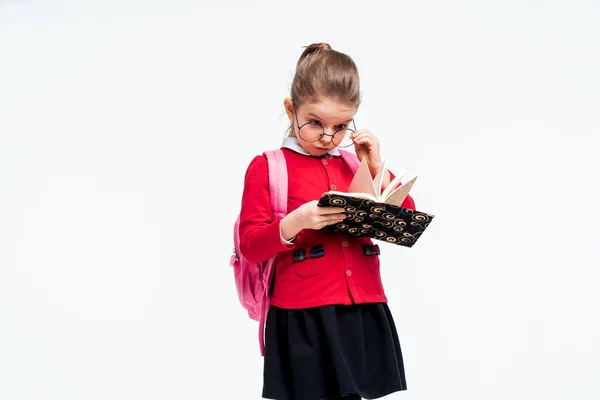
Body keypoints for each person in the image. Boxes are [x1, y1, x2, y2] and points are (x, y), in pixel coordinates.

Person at [238, 42, 416, 400]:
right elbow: (250, 246)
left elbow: (406, 218)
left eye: (340, 127)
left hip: (363, 305)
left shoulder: (355, 164)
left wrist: (377, 167)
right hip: (304, 314)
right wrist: (296, 221)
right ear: (291, 109)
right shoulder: (268, 166)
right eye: (315, 123)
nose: (326, 137)